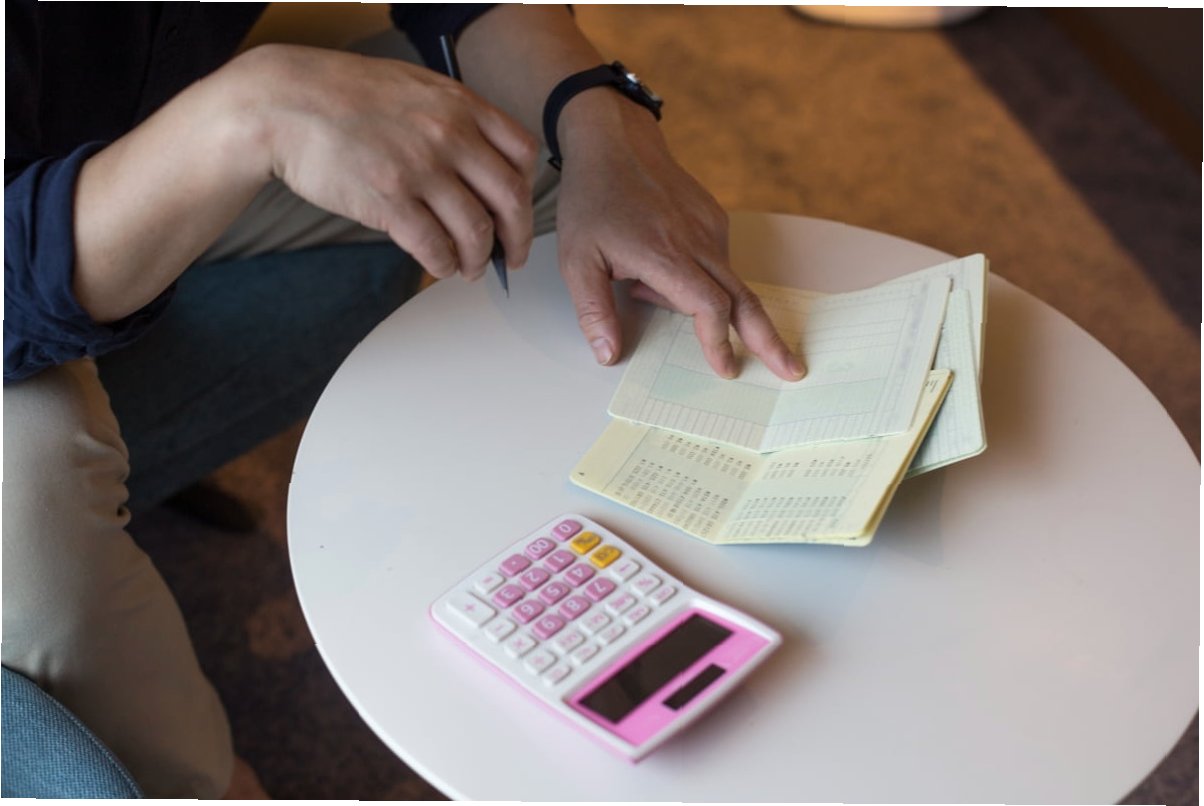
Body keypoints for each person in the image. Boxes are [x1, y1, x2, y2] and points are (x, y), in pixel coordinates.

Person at [4, 2, 806, 798]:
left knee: (523, 155)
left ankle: (663, 514)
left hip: (120, 117)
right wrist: (246, 115)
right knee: (29, 497)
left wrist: (597, 123)